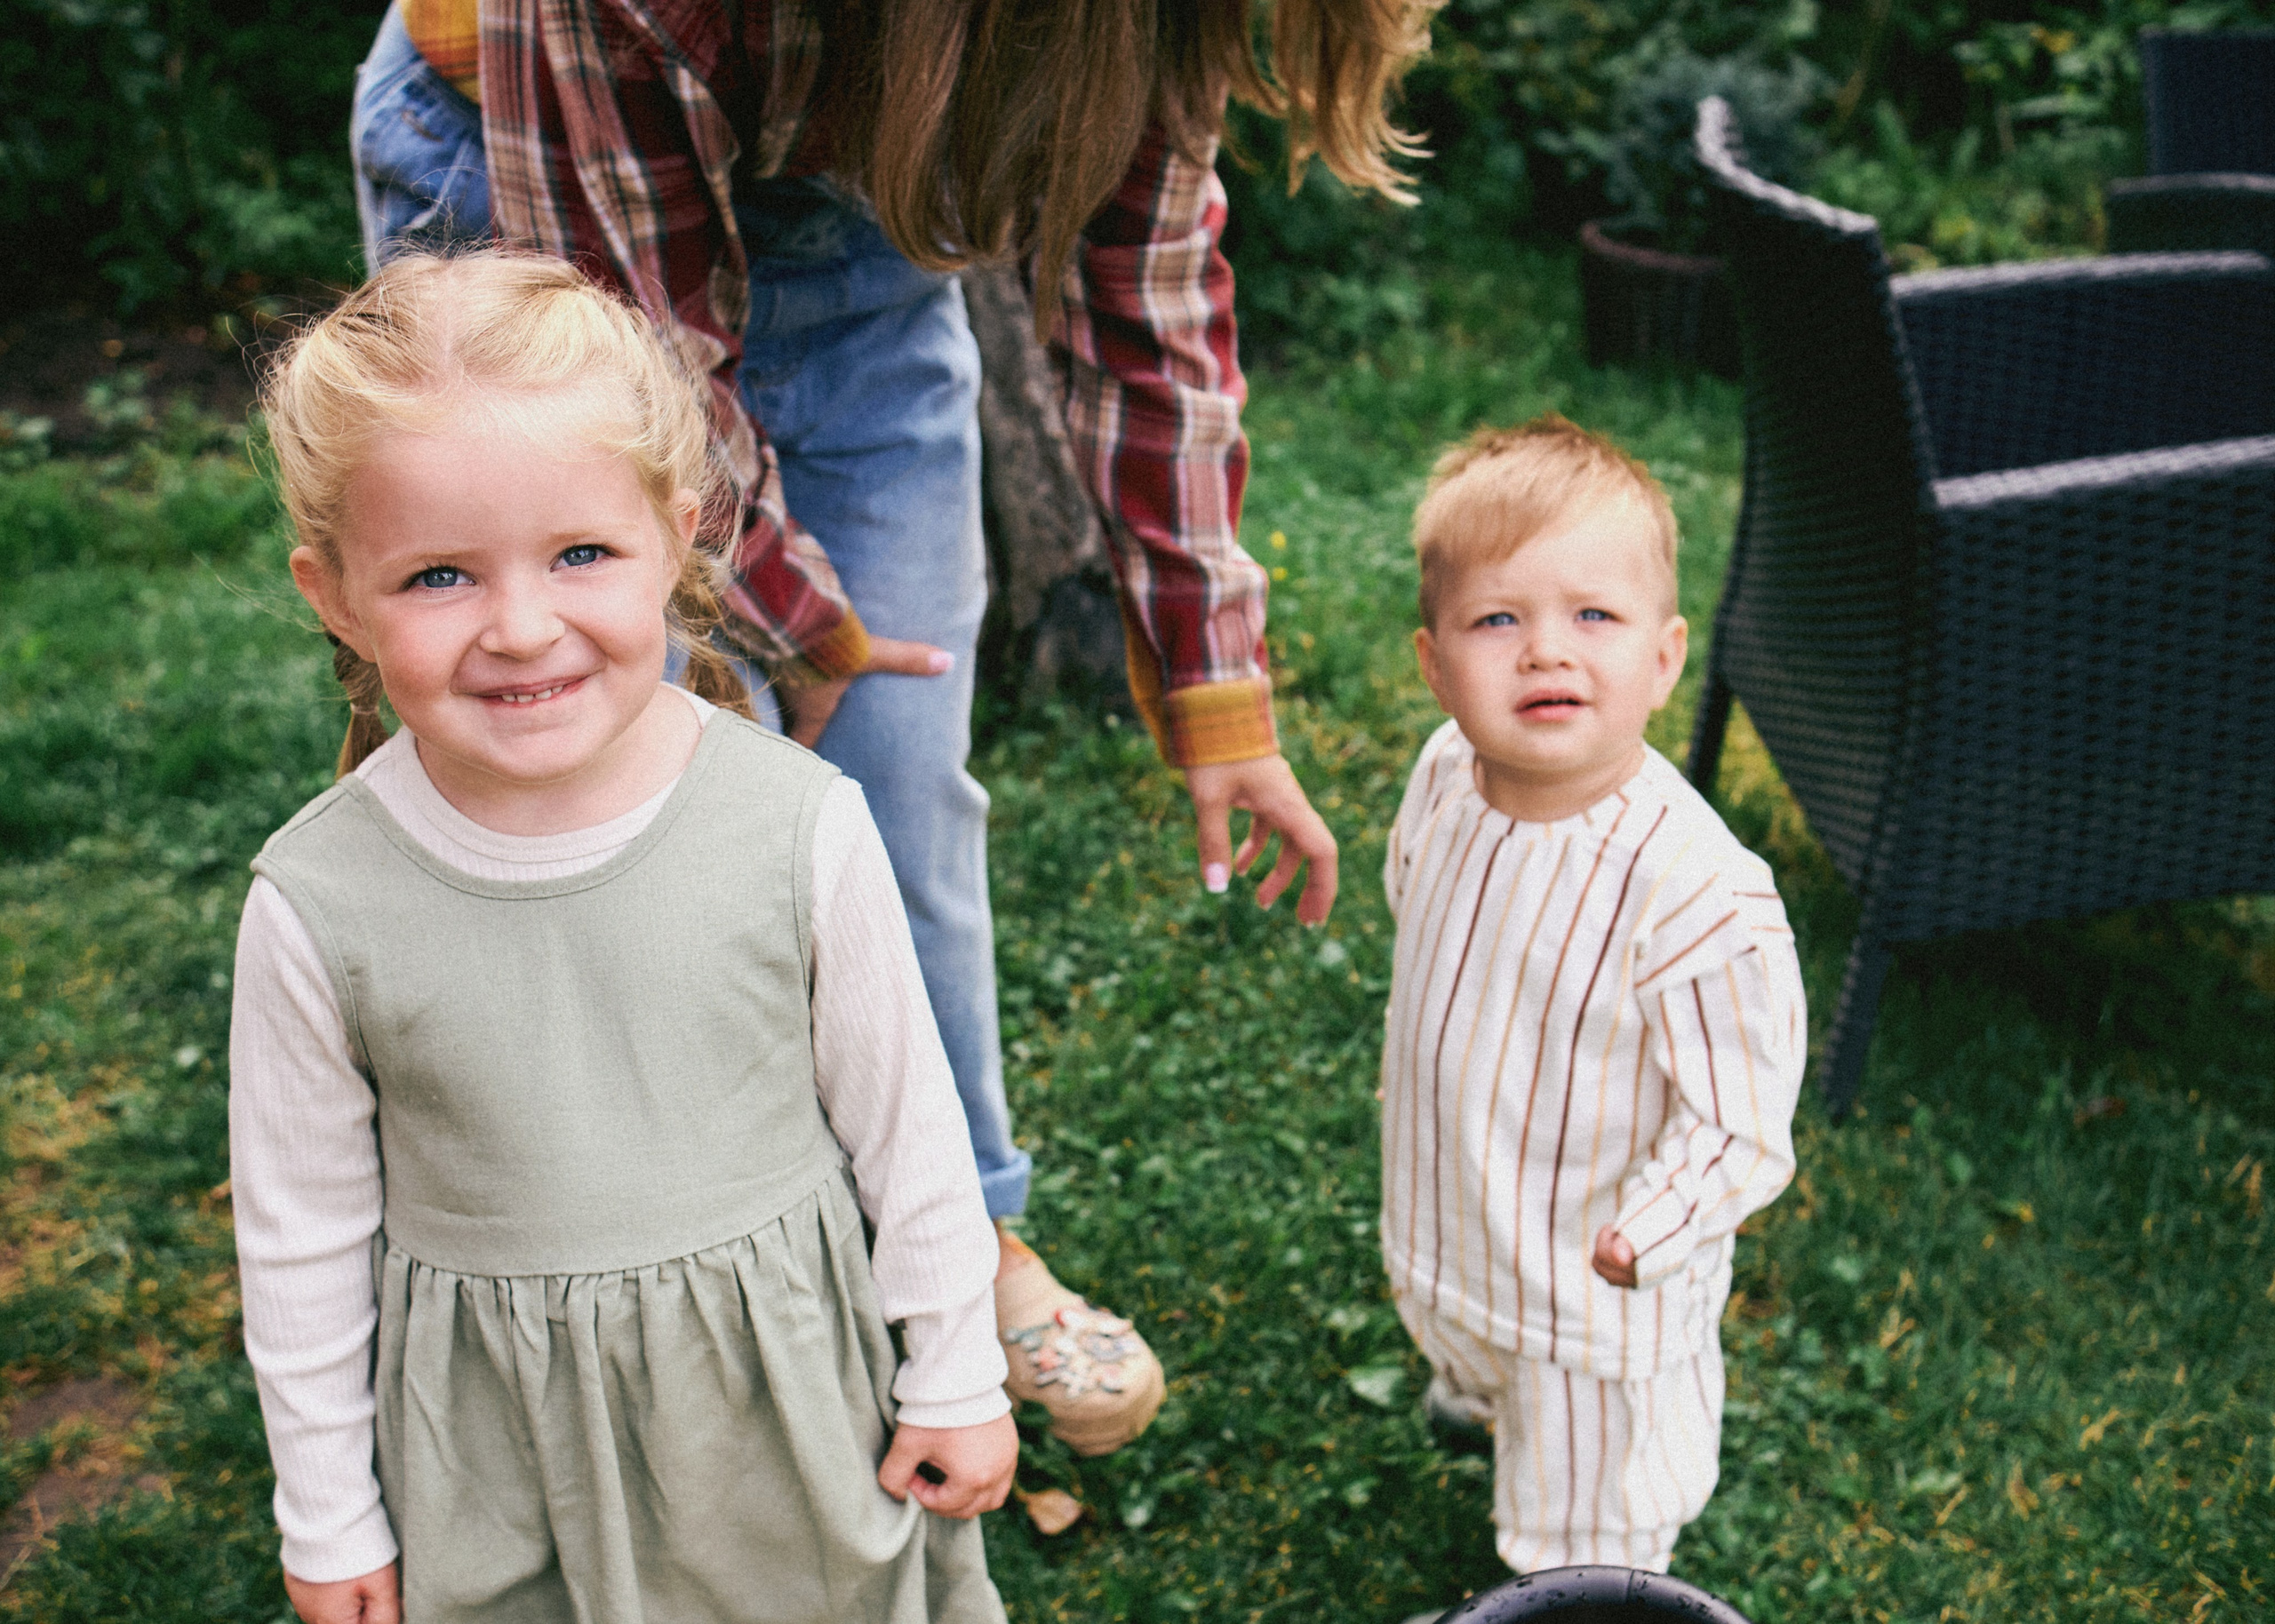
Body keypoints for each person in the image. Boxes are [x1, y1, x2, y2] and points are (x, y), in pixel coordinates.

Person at [344, 0, 1434, 1453]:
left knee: (898, 781)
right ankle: (582, 1286)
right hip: (529, 202)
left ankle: (963, 1237)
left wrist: (1213, 686)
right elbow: (634, 360)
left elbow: (1148, 307)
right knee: (585, 794)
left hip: (870, 224)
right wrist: (789, 615)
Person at [231, 251, 1016, 1624]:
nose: (521, 627)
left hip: (781, 1411)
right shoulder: (318, 901)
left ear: (678, 529)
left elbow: (909, 1128)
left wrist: (955, 1369)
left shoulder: (795, 824)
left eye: (580, 553)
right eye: (436, 577)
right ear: (335, 595)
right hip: (498, 1448)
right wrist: (330, 1508)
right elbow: (299, 1236)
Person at [1378, 418, 1806, 1593]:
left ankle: (1575, 1578)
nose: (1544, 652)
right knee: (1463, 1325)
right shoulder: (1442, 781)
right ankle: (1475, 1390)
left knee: (1580, 1523)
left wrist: (1649, 1233)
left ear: (1666, 659)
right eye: (1497, 619)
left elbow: (1739, 1120)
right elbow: (1422, 910)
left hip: (1590, 1293)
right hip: (1455, 1210)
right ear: (1434, 661)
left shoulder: (1698, 894)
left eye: (1594, 617)